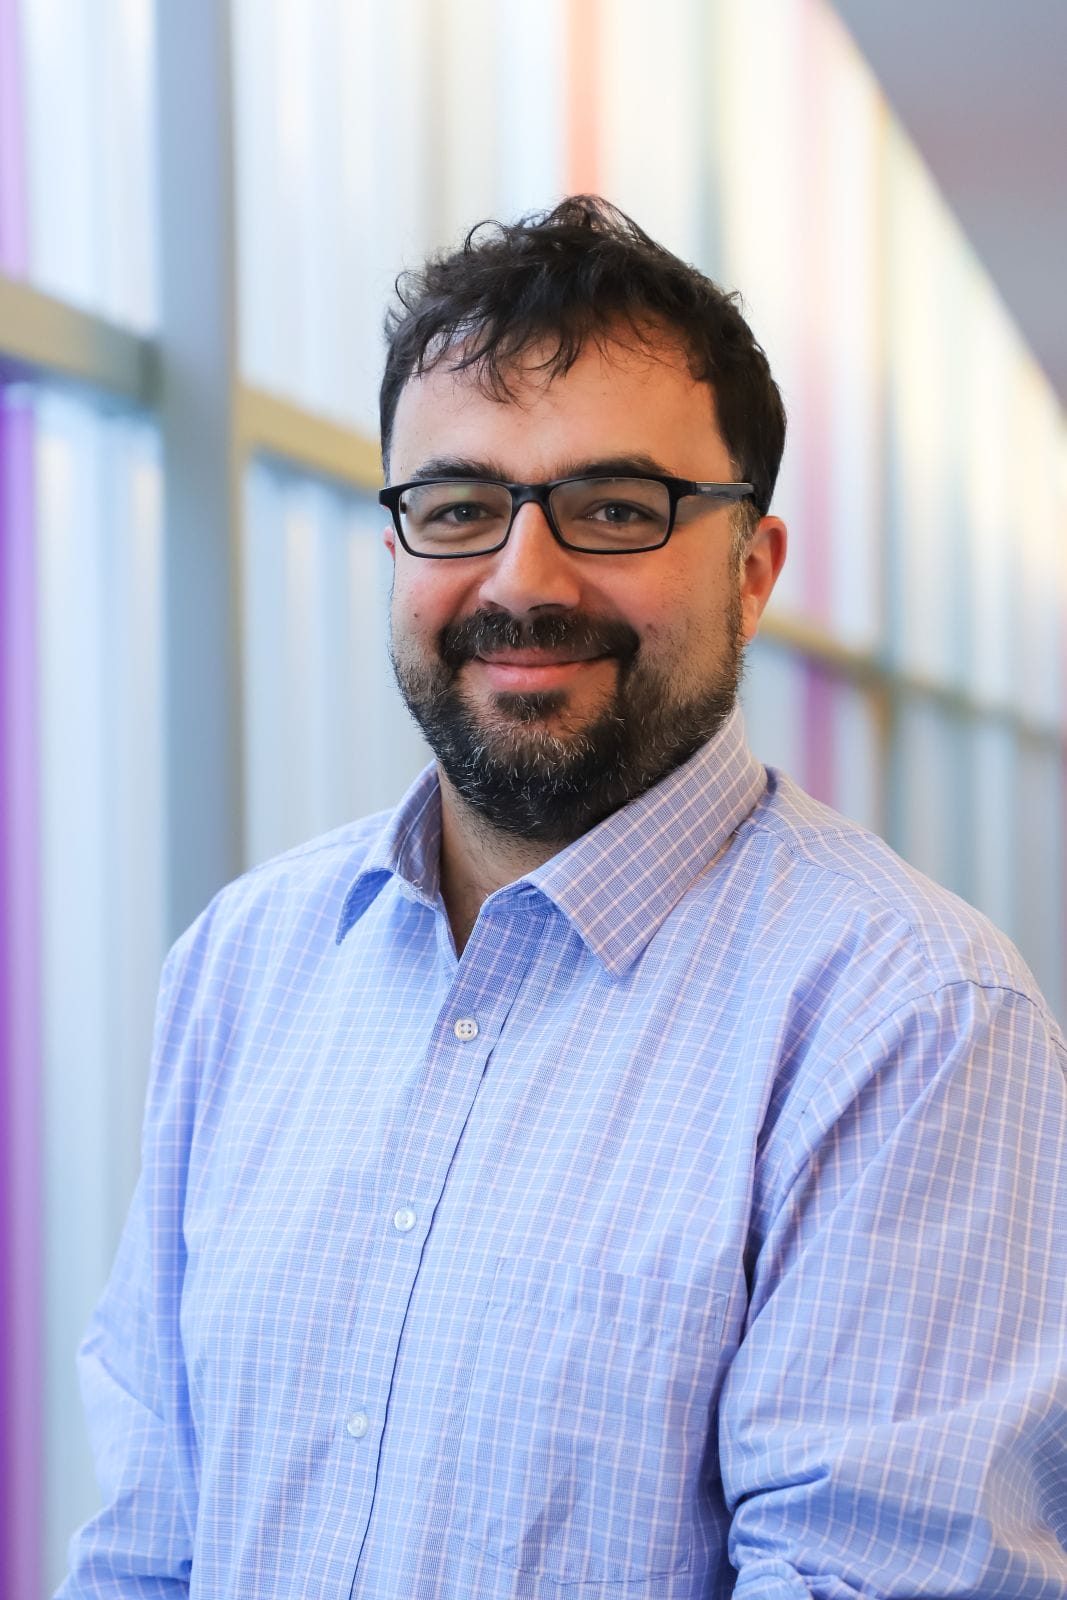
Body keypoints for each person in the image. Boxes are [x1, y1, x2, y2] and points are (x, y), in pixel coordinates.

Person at [61, 197, 1066, 1600]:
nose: (523, 581)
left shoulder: (914, 1019)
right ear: (398, 550)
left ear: (753, 573)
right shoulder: (248, 959)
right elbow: (145, 1547)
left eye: (614, 509)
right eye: (459, 508)